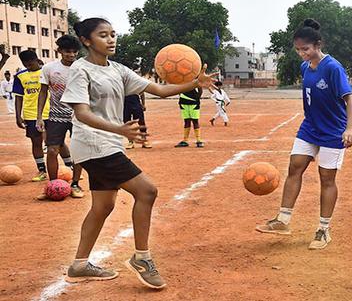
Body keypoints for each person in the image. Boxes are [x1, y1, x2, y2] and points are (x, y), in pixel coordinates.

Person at [60, 17, 217, 288]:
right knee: (147, 191)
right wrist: (119, 130)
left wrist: (194, 83)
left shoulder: (118, 69)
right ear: (86, 41)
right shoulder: (80, 70)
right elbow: (81, 113)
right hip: (94, 144)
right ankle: (142, 258)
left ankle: (79, 264)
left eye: (113, 34)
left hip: (108, 143)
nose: (111, 40)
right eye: (103, 35)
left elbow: (159, 89)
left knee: (103, 206)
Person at [255, 19, 352, 250]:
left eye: (306, 49)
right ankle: (283, 220)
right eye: (298, 49)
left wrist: (350, 128)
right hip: (310, 127)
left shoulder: (332, 67)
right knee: (295, 166)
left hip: (333, 131)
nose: (302, 54)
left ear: (318, 45)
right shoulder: (304, 67)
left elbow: (350, 98)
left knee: (326, 178)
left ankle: (323, 229)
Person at [36, 35, 85, 200]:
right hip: (56, 115)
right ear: (60, 51)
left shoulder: (83, 68)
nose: (71, 55)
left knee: (79, 152)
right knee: (51, 151)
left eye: (74, 52)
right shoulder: (49, 68)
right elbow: (43, 92)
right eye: (67, 51)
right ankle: (53, 185)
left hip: (79, 115)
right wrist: (39, 117)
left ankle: (75, 184)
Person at [13, 50, 50, 182]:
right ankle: (42, 171)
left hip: (50, 113)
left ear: (36, 60)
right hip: (30, 114)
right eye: (25, 63)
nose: (28, 65)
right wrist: (18, 116)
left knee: (57, 142)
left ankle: (69, 167)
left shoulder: (47, 72)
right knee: (36, 142)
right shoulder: (20, 76)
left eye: (30, 62)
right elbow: (18, 98)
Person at [124, 65, 151, 149]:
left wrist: (143, 104)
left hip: (136, 103)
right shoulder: (121, 83)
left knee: (141, 122)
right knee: (126, 123)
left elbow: (142, 94)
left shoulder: (135, 83)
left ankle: (144, 140)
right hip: (125, 104)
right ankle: (130, 141)